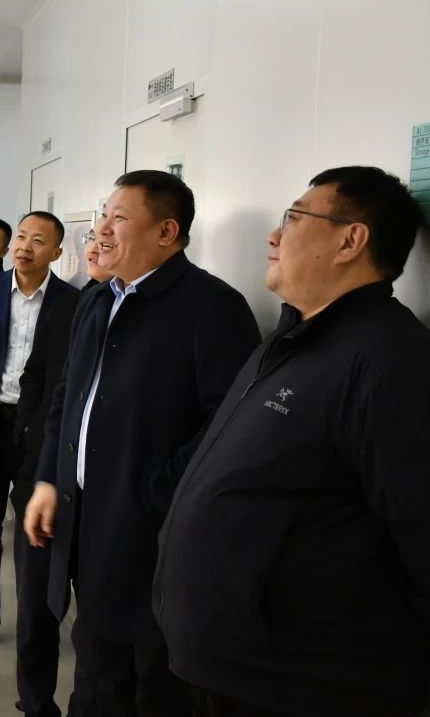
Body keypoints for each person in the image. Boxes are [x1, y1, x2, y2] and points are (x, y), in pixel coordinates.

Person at [155, 166, 430, 717]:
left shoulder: (392, 362)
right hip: (232, 668)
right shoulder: (293, 337)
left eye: (293, 218)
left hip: (303, 684)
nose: (274, 235)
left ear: (350, 240)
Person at [24, 170, 260, 717]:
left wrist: (155, 492)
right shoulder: (97, 301)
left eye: (119, 218)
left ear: (167, 232)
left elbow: (229, 426)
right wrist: (49, 479)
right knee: (95, 672)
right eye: (102, 215)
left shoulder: (213, 307)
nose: (101, 229)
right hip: (87, 525)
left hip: (156, 537)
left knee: (154, 684)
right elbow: (66, 398)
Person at [0, 212, 76, 650]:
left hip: (38, 428)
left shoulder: (71, 301)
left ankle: (37, 626)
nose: (26, 247)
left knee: (35, 532)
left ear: (57, 252)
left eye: (39, 241)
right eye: (22, 237)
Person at [9, 231, 111, 716]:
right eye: (94, 236)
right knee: (34, 601)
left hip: (107, 495)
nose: (95, 247)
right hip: (46, 473)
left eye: (110, 233)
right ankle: (35, 701)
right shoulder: (79, 304)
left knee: (96, 621)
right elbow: (40, 380)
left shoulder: (183, 311)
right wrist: (34, 444)